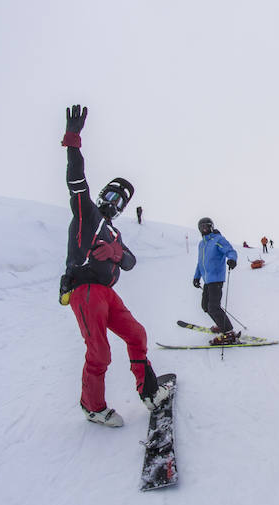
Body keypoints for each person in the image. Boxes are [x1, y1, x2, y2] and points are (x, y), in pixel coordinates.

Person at [58, 104, 169, 428]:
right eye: (112, 194)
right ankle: (92, 406)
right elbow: (76, 182)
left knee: (136, 334)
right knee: (100, 353)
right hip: (86, 291)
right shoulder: (87, 215)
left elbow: (132, 261)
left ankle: (148, 391)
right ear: (103, 194)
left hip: (107, 294)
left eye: (121, 201)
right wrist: (73, 140)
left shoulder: (114, 232)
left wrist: (117, 253)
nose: (115, 202)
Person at [192, 217, 239, 345]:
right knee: (205, 306)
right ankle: (221, 324)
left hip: (216, 278)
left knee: (213, 307)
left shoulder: (218, 239)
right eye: (201, 227)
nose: (204, 229)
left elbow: (230, 250)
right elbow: (200, 263)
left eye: (206, 226)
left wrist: (232, 259)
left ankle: (228, 332)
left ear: (211, 227)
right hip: (207, 280)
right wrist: (196, 277)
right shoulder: (201, 244)